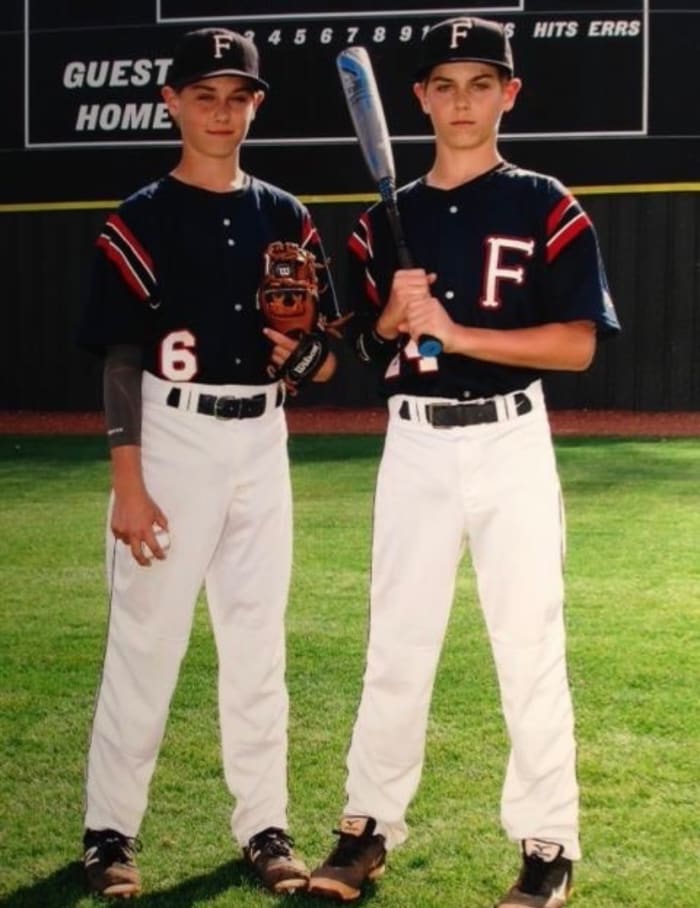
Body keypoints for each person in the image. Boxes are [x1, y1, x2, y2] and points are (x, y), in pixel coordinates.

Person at [308, 16, 620, 908]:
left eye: (481, 83)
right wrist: (388, 322)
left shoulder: (546, 202)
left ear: (509, 94)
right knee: (395, 646)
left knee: (529, 646)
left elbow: (578, 346)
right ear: (418, 99)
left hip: (511, 437)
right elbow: (362, 352)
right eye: (443, 85)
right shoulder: (381, 222)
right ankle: (365, 831)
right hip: (413, 443)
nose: (461, 101)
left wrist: (459, 331)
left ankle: (548, 846)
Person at [78, 27, 340, 900]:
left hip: (261, 441)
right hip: (172, 436)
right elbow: (120, 353)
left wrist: (307, 359)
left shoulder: (286, 214)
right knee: (146, 642)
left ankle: (264, 825)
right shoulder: (141, 215)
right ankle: (109, 831)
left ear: (255, 106)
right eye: (204, 95)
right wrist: (128, 479)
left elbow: (326, 355)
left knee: (257, 644)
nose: (221, 111)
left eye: (238, 96)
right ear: (172, 104)